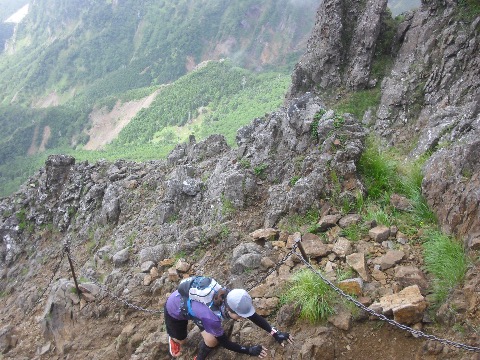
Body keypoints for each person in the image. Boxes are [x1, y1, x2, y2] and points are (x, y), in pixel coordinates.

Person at [165, 287, 294, 359]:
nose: (243, 318)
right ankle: (174, 338)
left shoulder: (231, 296)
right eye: (240, 316)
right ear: (228, 309)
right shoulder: (212, 318)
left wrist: (275, 333)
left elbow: (252, 315)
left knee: (211, 341)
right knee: (183, 341)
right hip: (175, 309)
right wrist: (249, 350)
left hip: (197, 308)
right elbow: (225, 342)